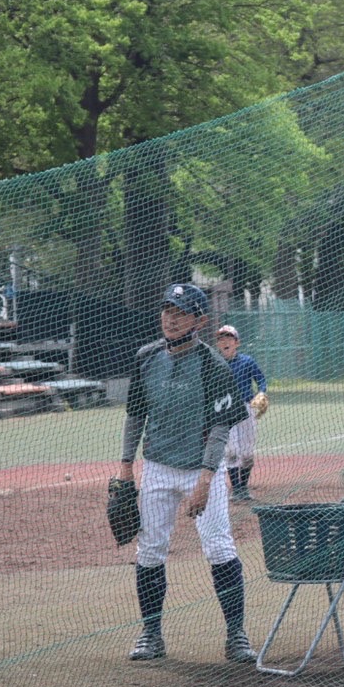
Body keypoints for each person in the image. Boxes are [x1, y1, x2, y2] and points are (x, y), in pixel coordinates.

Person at [119, 283, 255, 663]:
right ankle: (150, 634)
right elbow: (135, 416)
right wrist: (126, 467)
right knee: (150, 549)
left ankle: (236, 635)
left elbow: (220, 428)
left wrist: (207, 480)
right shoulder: (146, 358)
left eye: (180, 312)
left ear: (200, 320)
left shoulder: (213, 364)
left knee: (219, 547)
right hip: (158, 468)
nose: (171, 317)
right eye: (167, 309)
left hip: (201, 470)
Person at [215, 325, 268, 500]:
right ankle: (236, 489)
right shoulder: (214, 363)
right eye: (221, 339)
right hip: (225, 410)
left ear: (237, 343)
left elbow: (260, 378)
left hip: (246, 409)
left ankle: (243, 488)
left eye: (229, 338)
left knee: (247, 453)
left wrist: (261, 392)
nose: (225, 342)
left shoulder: (247, 361)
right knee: (231, 451)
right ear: (218, 344)